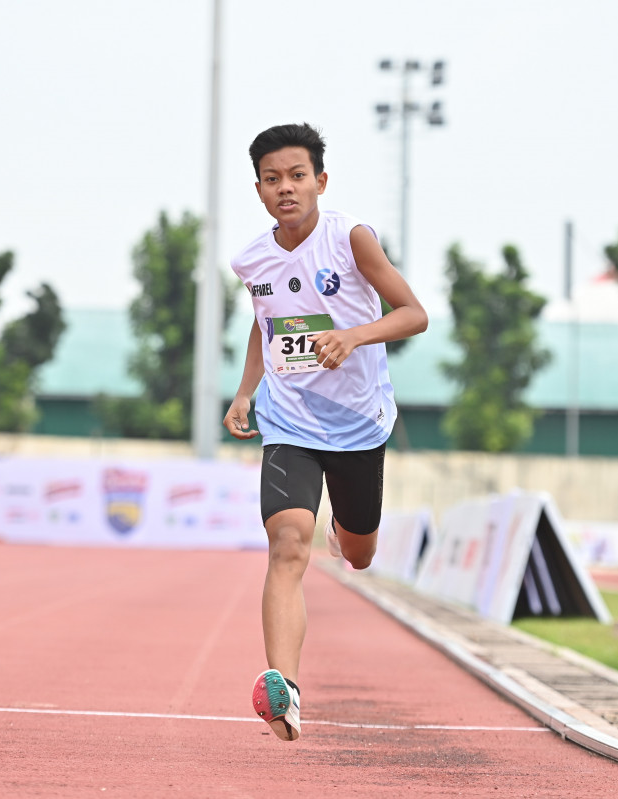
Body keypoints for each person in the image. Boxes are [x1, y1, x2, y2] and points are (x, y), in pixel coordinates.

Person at [223, 122, 428, 742]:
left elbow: (414, 314)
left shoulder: (351, 238)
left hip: (359, 424)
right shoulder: (251, 260)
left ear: (320, 181)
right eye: (272, 179)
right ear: (259, 189)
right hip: (289, 420)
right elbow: (265, 323)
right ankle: (283, 690)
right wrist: (245, 391)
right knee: (287, 544)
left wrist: (353, 337)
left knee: (359, 555)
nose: (285, 188)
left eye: (297, 176)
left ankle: (345, 532)